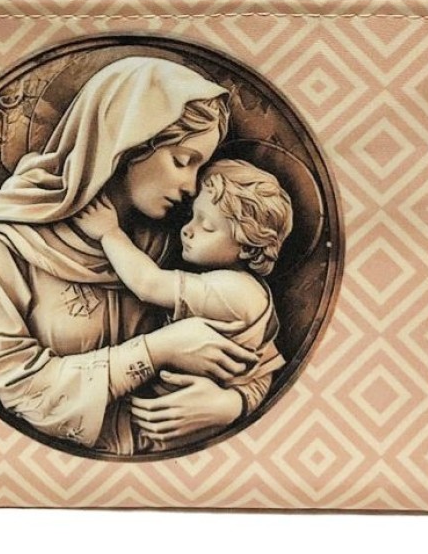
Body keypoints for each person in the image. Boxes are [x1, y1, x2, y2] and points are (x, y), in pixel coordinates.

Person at [0, 56, 259, 456]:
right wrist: (154, 351)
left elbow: (250, 334)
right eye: (182, 161)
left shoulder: (170, 244)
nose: (190, 186)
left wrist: (234, 404)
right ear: (125, 142)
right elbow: (12, 387)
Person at [74, 158, 293, 451]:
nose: (188, 230)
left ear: (247, 246)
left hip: (176, 424)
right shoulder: (245, 289)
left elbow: (148, 284)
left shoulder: (235, 291)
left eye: (208, 227)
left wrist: (109, 233)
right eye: (193, 216)